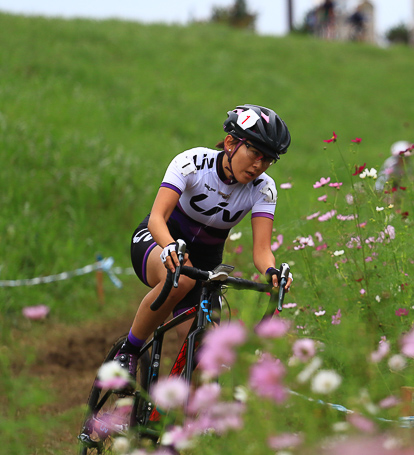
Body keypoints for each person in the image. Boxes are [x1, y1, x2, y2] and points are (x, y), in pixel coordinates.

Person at [115, 104, 294, 377]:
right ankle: (128, 350)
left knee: (208, 359)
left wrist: (271, 271)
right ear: (231, 143)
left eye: (268, 159)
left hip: (207, 263)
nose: (259, 165)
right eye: (255, 153)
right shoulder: (193, 162)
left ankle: (174, 414)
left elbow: (262, 250)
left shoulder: (264, 188)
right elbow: (157, 219)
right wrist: (170, 246)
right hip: (157, 241)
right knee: (181, 278)